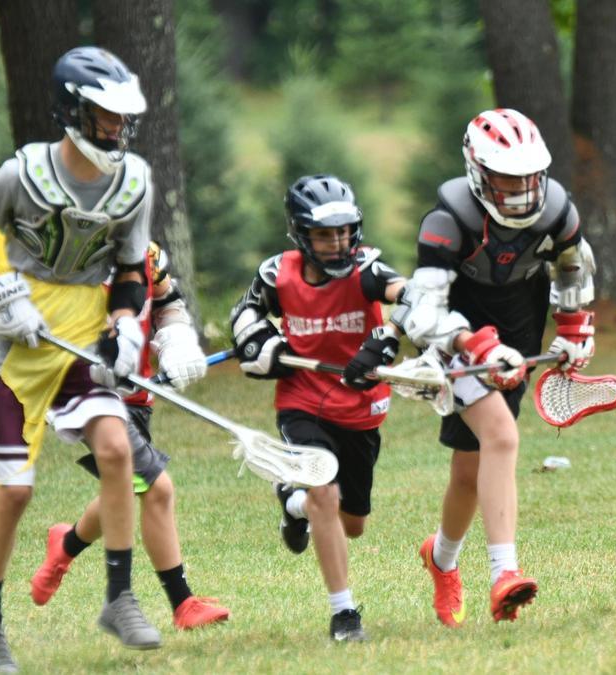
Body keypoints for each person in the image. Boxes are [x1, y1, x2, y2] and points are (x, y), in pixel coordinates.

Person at [0, 46, 165, 670]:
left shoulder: (136, 183)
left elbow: (129, 270)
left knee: (118, 451)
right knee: (15, 493)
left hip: (80, 336)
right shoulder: (23, 174)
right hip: (13, 346)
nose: (117, 129)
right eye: (105, 117)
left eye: (123, 118)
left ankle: (119, 597)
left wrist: (125, 325)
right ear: (73, 112)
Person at [389, 108, 596, 626]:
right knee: (501, 438)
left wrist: (572, 331)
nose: (522, 188)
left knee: (469, 471)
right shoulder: (447, 221)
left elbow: (573, 268)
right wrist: (475, 346)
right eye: (508, 176)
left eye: (529, 175)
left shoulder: (557, 211)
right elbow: (423, 312)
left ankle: (440, 559)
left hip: (520, 327)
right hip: (457, 333)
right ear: (478, 172)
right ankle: (505, 574)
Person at [229, 174, 406, 643]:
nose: (337, 243)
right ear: (301, 235)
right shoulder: (277, 274)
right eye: (326, 235)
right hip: (302, 400)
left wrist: (388, 337)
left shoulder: (368, 271)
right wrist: (260, 342)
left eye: (344, 232)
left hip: (361, 408)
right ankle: (344, 614)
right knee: (324, 494)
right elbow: (244, 314)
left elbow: (412, 295)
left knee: (354, 524)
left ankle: (292, 503)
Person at [27, 240, 230, 630]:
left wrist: (177, 344)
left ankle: (65, 545)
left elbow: (168, 303)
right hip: (89, 398)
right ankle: (182, 604)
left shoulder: (146, 252)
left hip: (136, 396)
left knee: (124, 487)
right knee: (157, 488)